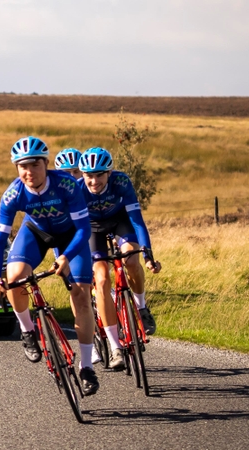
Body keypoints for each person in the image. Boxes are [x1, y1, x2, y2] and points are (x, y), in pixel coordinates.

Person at [0, 136, 100, 396]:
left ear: (46, 163)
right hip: (35, 233)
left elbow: (84, 229)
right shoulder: (13, 194)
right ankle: (27, 331)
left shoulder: (66, 185)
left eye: (35, 165)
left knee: (81, 297)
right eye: (23, 166)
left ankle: (86, 367)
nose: (29, 172)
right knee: (14, 278)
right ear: (17, 168)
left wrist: (66, 256)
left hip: (71, 236)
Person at [76, 147, 161, 370]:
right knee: (102, 280)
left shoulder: (122, 182)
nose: (93, 181)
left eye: (99, 175)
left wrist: (148, 253)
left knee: (131, 261)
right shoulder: (77, 191)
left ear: (109, 173)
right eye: (88, 176)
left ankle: (141, 307)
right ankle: (115, 348)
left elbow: (137, 220)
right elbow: (75, 229)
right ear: (82, 174)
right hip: (92, 230)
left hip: (120, 221)